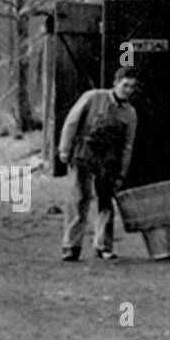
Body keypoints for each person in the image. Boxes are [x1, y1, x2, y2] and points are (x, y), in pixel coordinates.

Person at [57, 67, 139, 262]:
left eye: (132, 87)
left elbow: (128, 145)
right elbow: (71, 121)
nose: (128, 90)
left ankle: (104, 246)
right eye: (125, 85)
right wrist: (64, 148)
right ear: (115, 83)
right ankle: (71, 246)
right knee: (79, 198)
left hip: (108, 161)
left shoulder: (130, 113)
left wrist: (122, 171)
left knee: (105, 201)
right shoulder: (93, 97)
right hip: (84, 154)